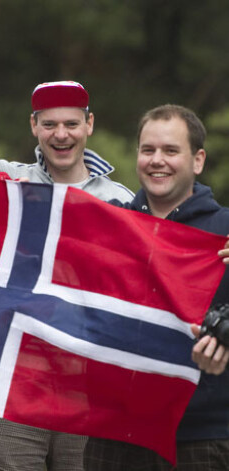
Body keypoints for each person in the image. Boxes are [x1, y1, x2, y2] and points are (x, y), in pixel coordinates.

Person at [0, 12, 134, 471]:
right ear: (34, 126)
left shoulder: (121, 202)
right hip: (13, 383)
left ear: (89, 125)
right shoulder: (10, 183)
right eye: (50, 124)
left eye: (71, 123)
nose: (61, 135)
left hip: (89, 388)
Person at [83, 104, 229, 471]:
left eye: (170, 151)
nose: (156, 160)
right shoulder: (108, 225)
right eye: (148, 150)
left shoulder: (226, 228)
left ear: (197, 160)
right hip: (113, 433)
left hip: (201, 435)